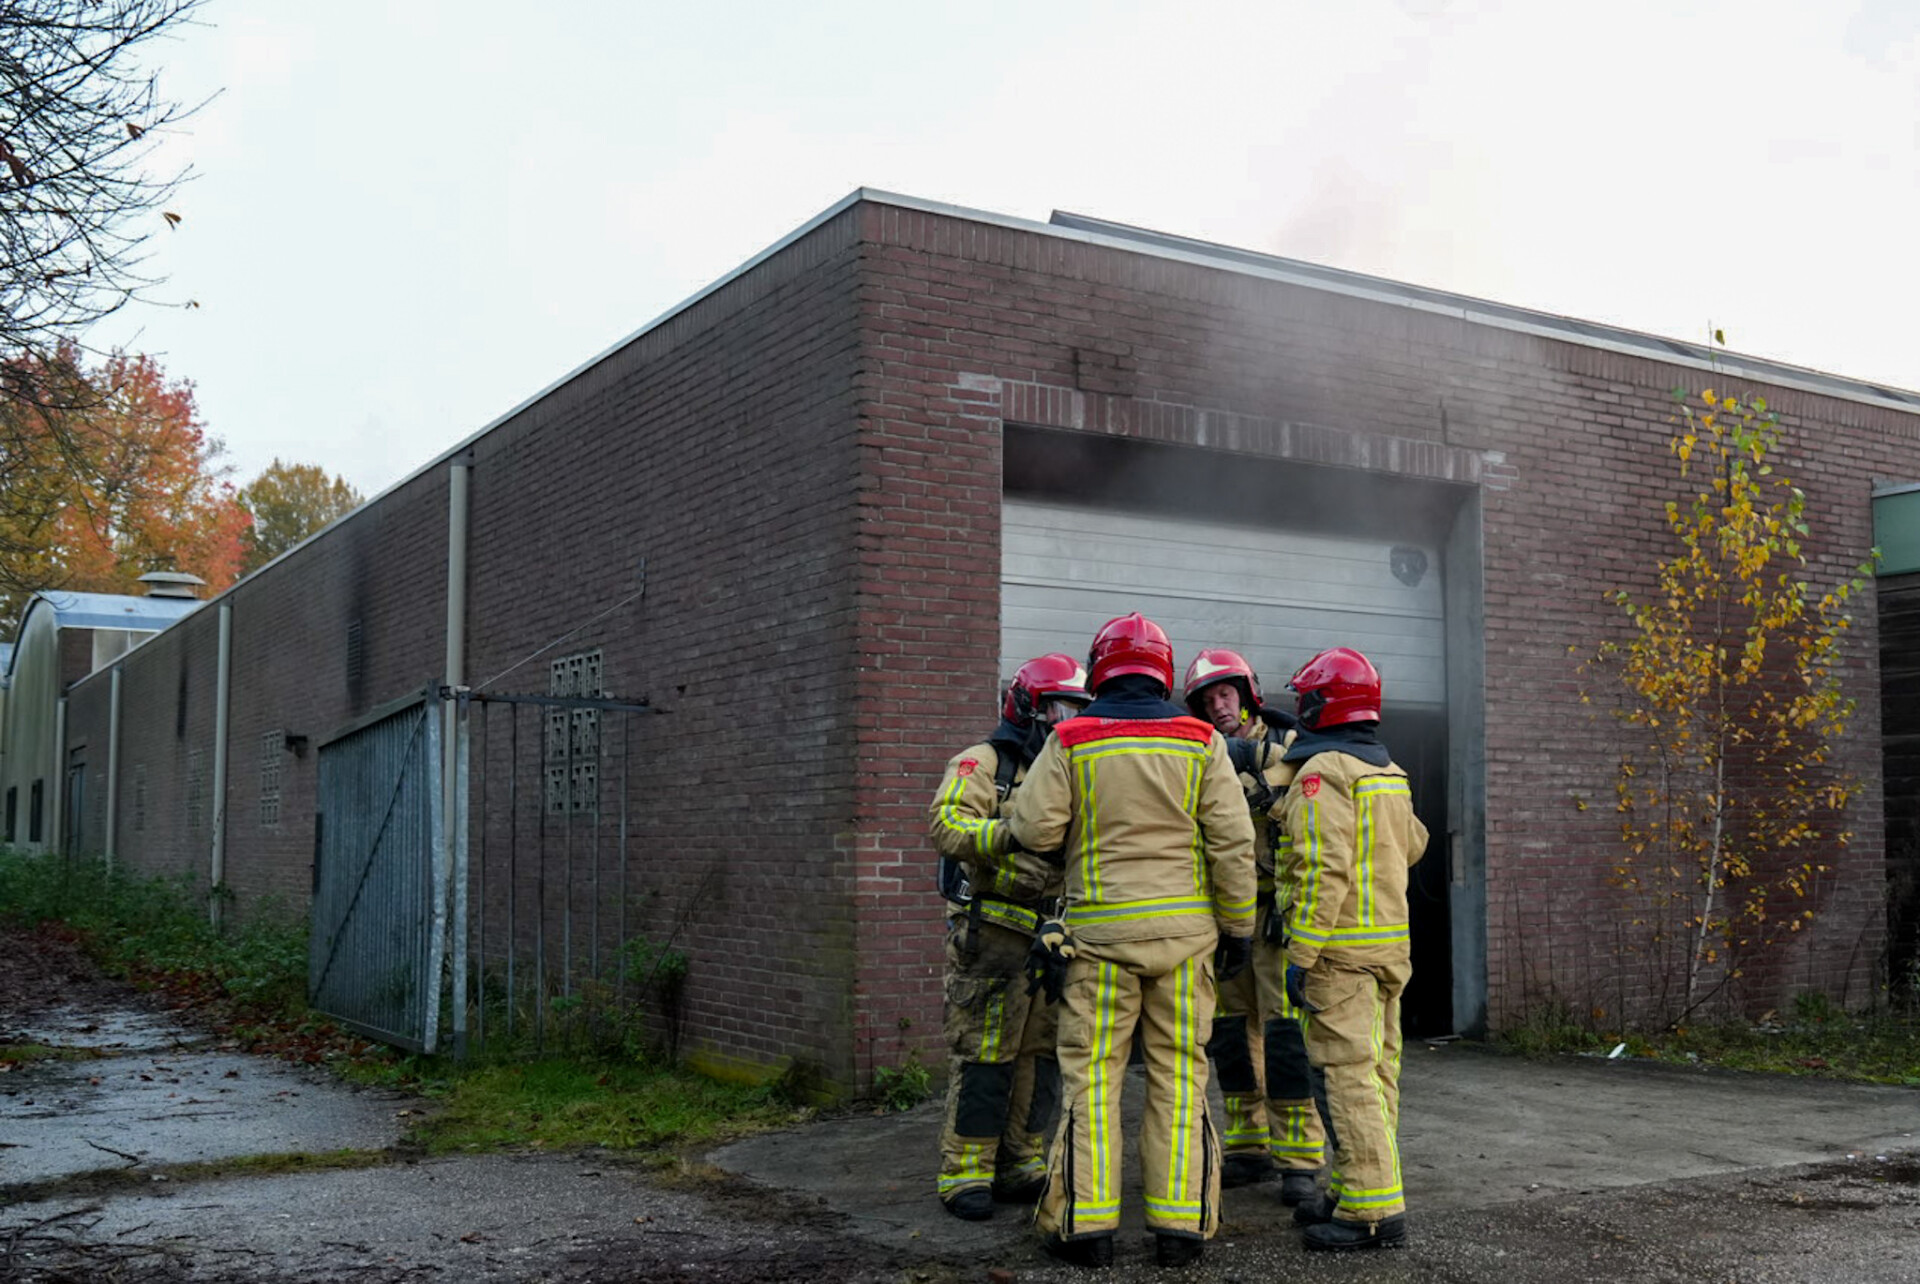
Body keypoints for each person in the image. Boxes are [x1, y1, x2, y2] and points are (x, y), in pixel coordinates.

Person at [1009, 614, 1256, 1270]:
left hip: (1097, 942)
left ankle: (1085, 1230)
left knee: (1091, 1080)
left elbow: (1035, 831)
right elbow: (1233, 844)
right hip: (1185, 944)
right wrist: (1238, 930)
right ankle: (1181, 1230)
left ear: (1100, 670)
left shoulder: (1070, 738)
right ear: (1164, 671)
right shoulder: (1202, 740)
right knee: (1180, 1077)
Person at [927, 652, 1091, 1221]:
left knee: (1042, 1057)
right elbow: (947, 825)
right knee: (985, 1056)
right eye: (1057, 706)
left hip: (1053, 939)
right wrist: (1010, 834)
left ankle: (1020, 1161)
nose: (1065, 718)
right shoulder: (984, 763)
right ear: (1026, 705)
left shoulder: (1075, 765)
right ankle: (966, 1171)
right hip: (993, 936)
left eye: (1075, 707)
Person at [1275, 647, 1428, 1252]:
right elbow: (1411, 845)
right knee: (1379, 1072)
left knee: (1345, 1078)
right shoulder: (1388, 772)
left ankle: (1370, 1211)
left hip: (1340, 953)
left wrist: (1300, 954)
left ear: (1321, 703)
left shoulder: (1325, 773)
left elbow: (1321, 868)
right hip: (1390, 948)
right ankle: (1354, 1185)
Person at [1182, 648, 1328, 1207]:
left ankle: (1299, 1161)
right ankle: (1247, 1145)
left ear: (1246, 694)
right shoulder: (1194, 752)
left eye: (1226, 694)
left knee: (1286, 1036)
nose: (1218, 705)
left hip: (1274, 920)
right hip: (1220, 918)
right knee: (1228, 1032)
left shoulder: (1291, 748)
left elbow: (1294, 803)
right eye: (1207, 699)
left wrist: (1251, 769)